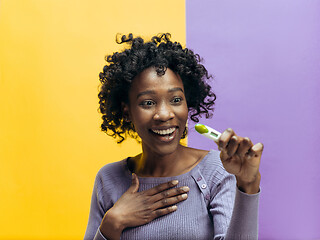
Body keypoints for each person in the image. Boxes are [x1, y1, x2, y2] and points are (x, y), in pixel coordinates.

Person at [84, 33, 263, 240]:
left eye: (176, 99)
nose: (165, 114)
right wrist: (113, 223)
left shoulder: (217, 170)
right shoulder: (108, 179)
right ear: (126, 111)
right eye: (148, 103)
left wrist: (248, 185)